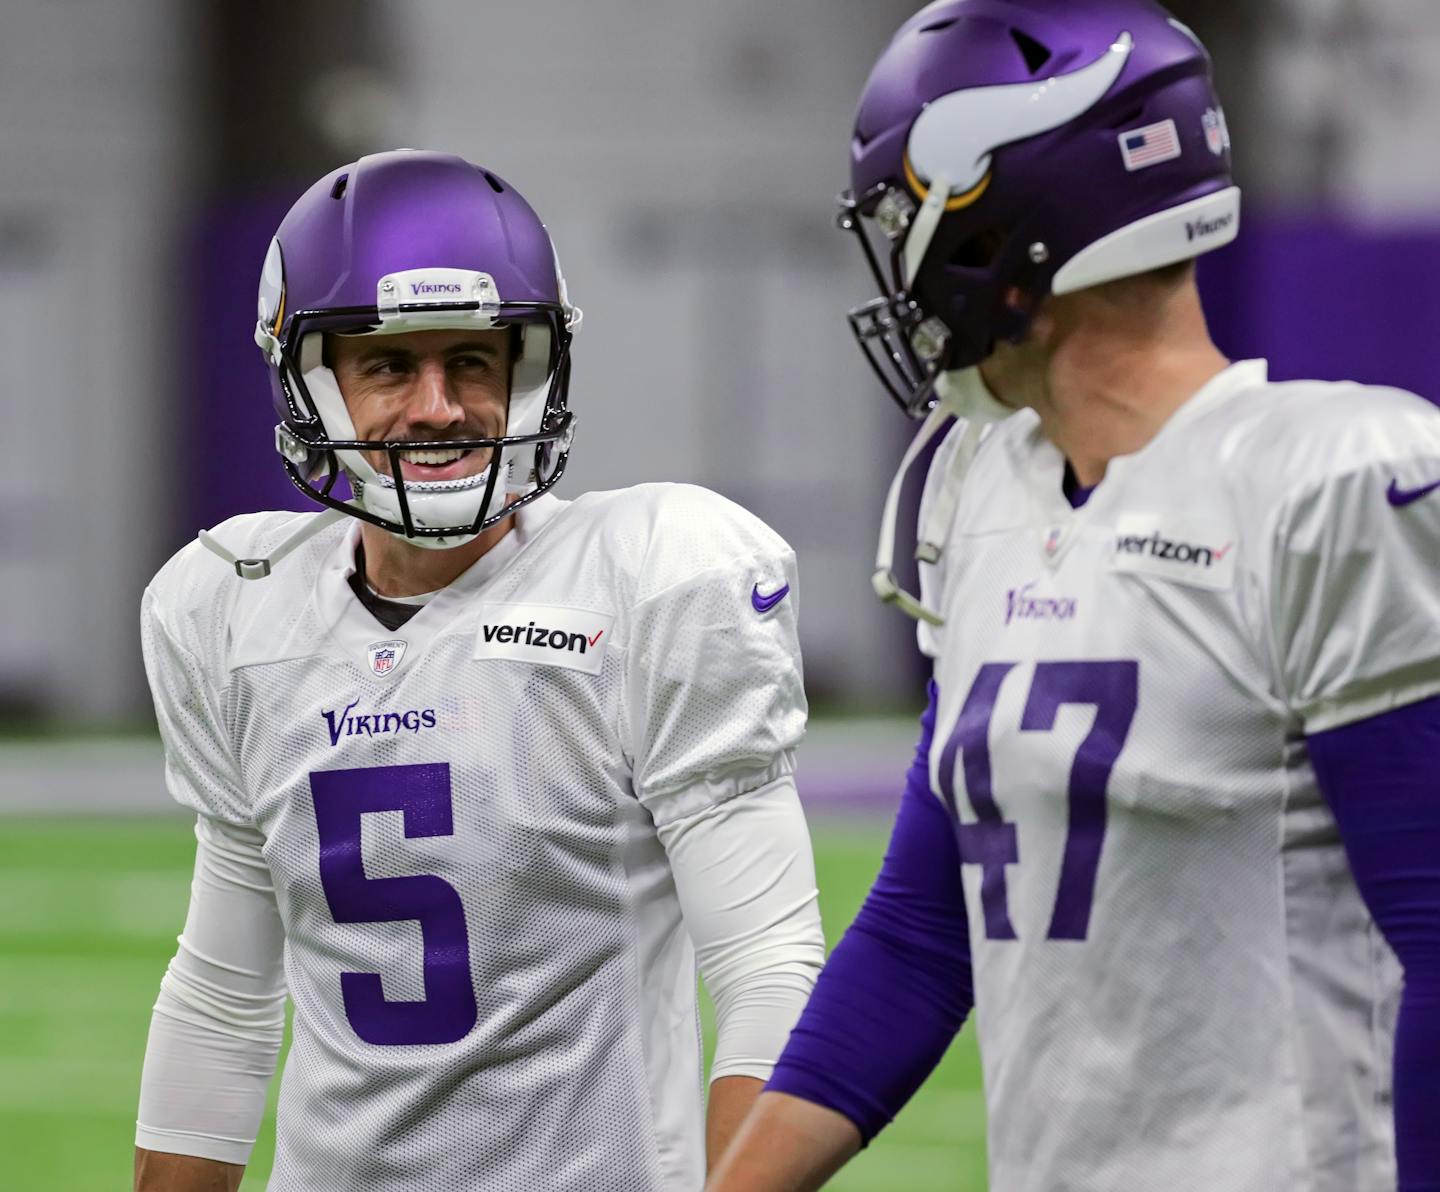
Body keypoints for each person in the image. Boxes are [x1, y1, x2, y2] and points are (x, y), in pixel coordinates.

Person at [708, 2, 1440, 1190]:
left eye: (906, 218)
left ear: (1001, 231)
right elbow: (919, 926)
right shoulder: (981, 483)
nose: (899, 265)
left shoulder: (1327, 480)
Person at [132, 149, 824, 1192]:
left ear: (528, 372)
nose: (439, 407)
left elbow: (769, 970)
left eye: (473, 362)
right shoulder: (234, 607)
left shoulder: (648, 583)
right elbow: (225, 993)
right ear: (309, 380)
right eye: (387, 366)